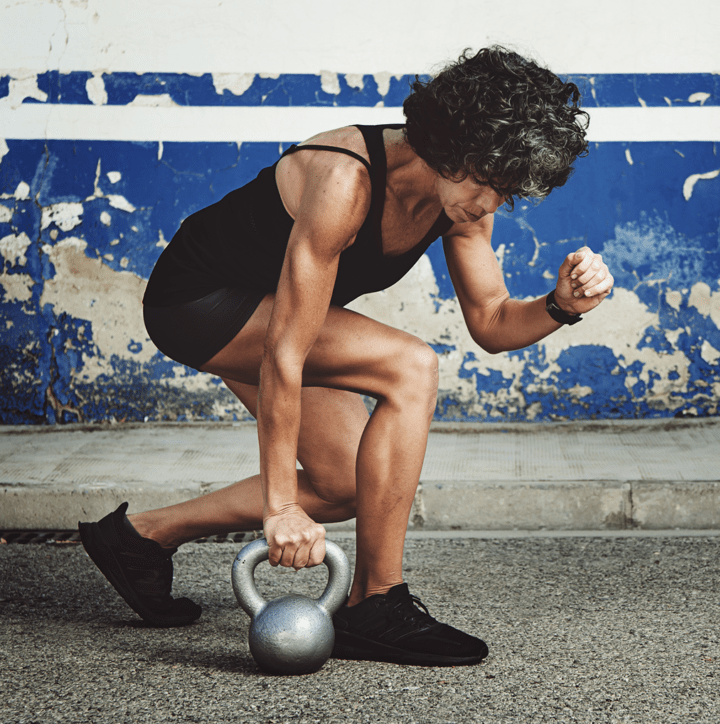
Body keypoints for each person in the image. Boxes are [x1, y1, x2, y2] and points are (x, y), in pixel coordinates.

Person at [79, 46, 613, 667]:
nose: (493, 203)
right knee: (411, 366)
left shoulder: (462, 203)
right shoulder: (344, 179)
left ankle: (139, 539)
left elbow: (492, 323)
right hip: (198, 301)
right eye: (488, 182)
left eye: (508, 191)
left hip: (272, 309)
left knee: (342, 484)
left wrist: (560, 305)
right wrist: (279, 506)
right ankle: (375, 602)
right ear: (451, 145)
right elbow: (286, 352)